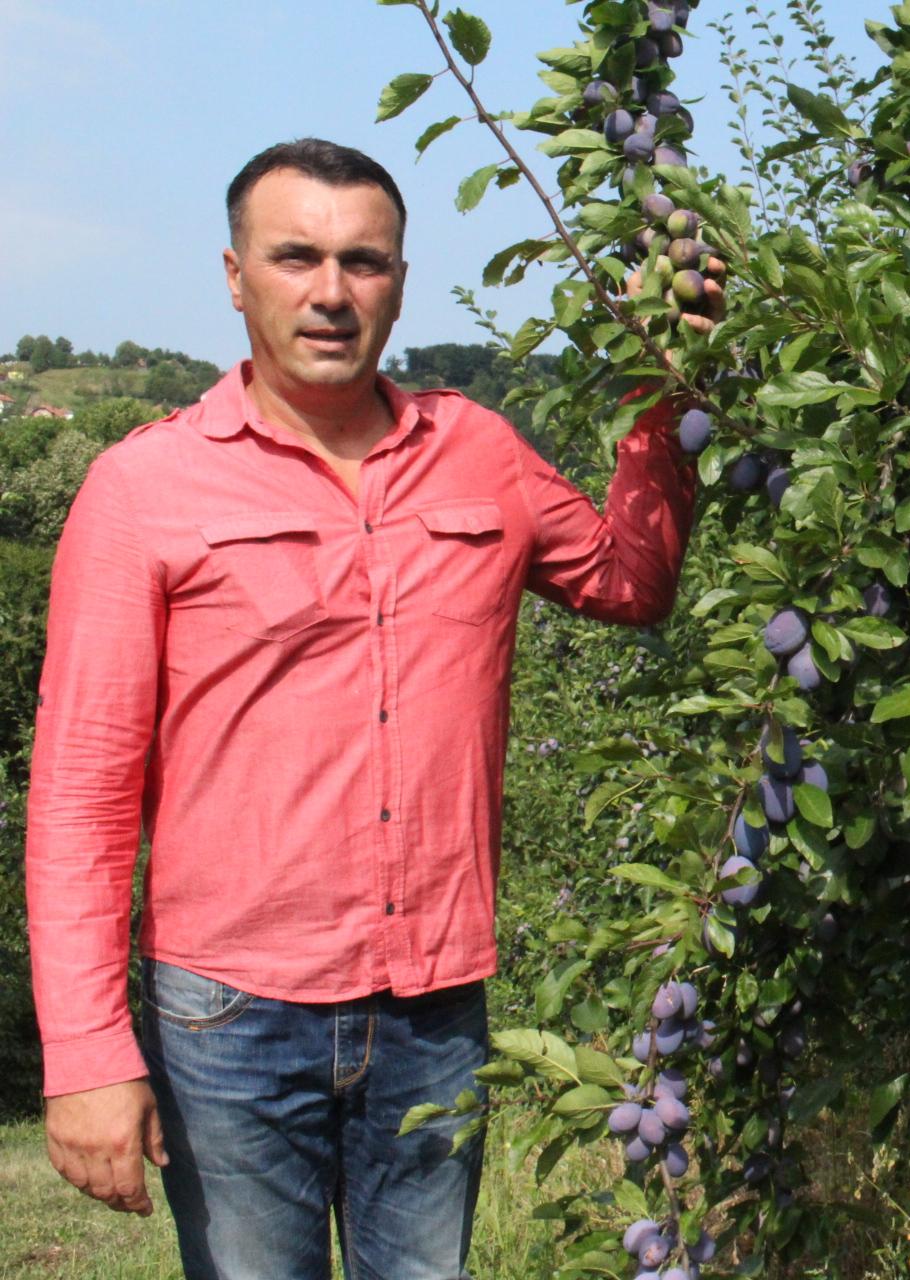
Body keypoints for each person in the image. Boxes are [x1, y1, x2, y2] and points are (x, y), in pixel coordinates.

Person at [25, 137, 697, 1278]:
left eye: (363, 261)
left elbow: (630, 580)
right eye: (296, 256)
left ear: (398, 278)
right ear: (237, 275)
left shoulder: (479, 451)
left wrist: (664, 383)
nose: (331, 292)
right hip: (226, 1021)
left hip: (435, 1004)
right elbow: (83, 790)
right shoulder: (143, 488)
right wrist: (87, 1049)